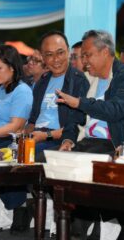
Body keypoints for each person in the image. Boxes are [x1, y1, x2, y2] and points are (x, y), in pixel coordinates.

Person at [57, 30, 124, 155]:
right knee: (45, 160)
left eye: (87, 55)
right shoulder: (87, 79)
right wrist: (68, 140)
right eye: (82, 56)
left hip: (113, 145)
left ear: (105, 52)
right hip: (85, 142)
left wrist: (80, 102)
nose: (84, 61)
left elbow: (115, 110)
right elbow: (74, 119)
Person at [25, 31, 89, 160]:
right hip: (36, 137)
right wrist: (23, 137)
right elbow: (32, 121)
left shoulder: (79, 81)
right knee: (0, 153)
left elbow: (76, 126)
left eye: (60, 53)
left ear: (68, 52)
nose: (56, 59)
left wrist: (46, 135)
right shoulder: (41, 82)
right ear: (42, 57)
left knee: (30, 157)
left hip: (57, 140)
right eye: (49, 54)